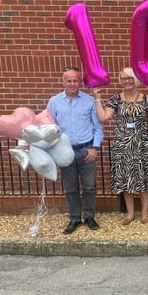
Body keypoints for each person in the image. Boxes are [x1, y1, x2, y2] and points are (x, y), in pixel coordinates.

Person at [92, 67, 148, 225]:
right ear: (120, 81)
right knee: (125, 181)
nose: (127, 81)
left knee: (144, 180)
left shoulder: (146, 99)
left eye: (129, 78)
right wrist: (97, 98)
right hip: (122, 146)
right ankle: (130, 213)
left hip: (143, 144)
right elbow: (103, 117)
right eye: (123, 78)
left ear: (135, 79)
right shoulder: (116, 98)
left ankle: (144, 212)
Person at [47, 67, 103, 234]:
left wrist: (95, 147)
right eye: (68, 80)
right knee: (71, 188)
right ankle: (74, 218)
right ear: (63, 81)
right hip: (65, 151)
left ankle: (89, 217)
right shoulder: (54, 102)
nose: (72, 83)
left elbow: (98, 126)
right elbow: (49, 127)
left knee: (89, 187)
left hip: (87, 150)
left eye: (75, 80)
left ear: (80, 82)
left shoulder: (89, 101)